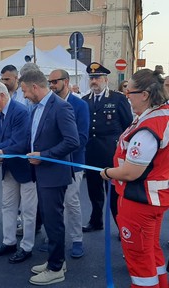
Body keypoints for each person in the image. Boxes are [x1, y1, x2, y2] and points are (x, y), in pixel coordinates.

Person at [100, 68, 169, 288]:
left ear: (145, 95)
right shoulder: (161, 115)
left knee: (138, 258)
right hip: (154, 199)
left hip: (139, 200)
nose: (127, 97)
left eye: (130, 92)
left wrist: (108, 172)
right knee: (151, 251)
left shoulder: (149, 127)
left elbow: (131, 171)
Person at [19, 69, 80, 285]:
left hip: (54, 174)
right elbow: (33, 138)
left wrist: (43, 156)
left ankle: (56, 268)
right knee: (49, 219)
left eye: (25, 91)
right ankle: (57, 260)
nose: (24, 95)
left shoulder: (61, 107)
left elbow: (72, 141)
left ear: (35, 87)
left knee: (54, 222)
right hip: (42, 173)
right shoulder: (37, 108)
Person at [0, 80, 38, 264]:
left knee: (27, 210)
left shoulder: (20, 112)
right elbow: (5, 140)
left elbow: (19, 143)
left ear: (2, 96)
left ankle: (27, 246)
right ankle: (9, 241)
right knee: (7, 206)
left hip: (25, 169)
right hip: (9, 168)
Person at [82, 62, 133, 233]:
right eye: (91, 78)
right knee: (94, 192)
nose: (93, 81)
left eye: (97, 78)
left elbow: (128, 126)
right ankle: (96, 221)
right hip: (91, 154)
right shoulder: (85, 101)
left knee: (114, 194)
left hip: (112, 155)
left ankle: (121, 226)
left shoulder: (117, 99)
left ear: (105, 79)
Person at [48, 69, 89, 258]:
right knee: (55, 204)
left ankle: (77, 239)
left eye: (55, 81)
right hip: (52, 161)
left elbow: (81, 137)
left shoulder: (79, 105)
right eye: (50, 82)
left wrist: (58, 152)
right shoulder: (49, 103)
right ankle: (57, 240)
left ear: (66, 81)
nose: (51, 85)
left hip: (73, 162)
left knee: (71, 202)